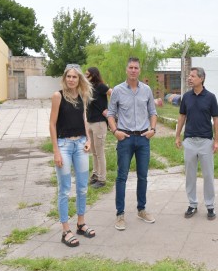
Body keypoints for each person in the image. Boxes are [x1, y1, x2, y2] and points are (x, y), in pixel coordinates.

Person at [106, 56, 157, 231]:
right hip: (125, 138)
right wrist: (115, 131)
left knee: (143, 176)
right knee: (122, 177)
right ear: (126, 70)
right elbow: (111, 113)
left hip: (143, 138)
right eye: (131, 68)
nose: (133, 70)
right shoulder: (118, 91)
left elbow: (153, 112)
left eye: (136, 68)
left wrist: (153, 130)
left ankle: (141, 210)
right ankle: (120, 215)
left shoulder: (147, 90)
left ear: (139, 70)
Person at [49, 64, 96, 248]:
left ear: (79, 80)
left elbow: (84, 118)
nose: (71, 79)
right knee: (65, 189)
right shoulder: (57, 96)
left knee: (83, 188)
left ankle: (81, 224)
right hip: (64, 145)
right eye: (68, 76)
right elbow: (52, 124)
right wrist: (56, 151)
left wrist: (88, 139)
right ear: (64, 78)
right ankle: (65, 230)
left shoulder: (82, 96)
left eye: (74, 77)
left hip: (80, 145)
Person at [175, 67, 218, 219]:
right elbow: (182, 117)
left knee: (208, 175)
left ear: (201, 79)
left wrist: (216, 141)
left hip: (206, 142)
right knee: (190, 175)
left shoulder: (210, 97)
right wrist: (177, 137)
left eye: (193, 76)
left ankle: (210, 206)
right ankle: (192, 204)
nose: (189, 78)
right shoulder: (186, 97)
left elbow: (216, 119)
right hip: (189, 141)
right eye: (189, 76)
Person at [85, 67, 111, 189]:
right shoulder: (89, 87)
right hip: (90, 122)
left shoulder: (101, 86)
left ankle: (102, 179)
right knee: (94, 152)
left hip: (99, 123)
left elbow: (113, 93)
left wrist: (111, 111)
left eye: (88, 75)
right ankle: (95, 175)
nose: (86, 76)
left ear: (94, 75)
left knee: (100, 153)